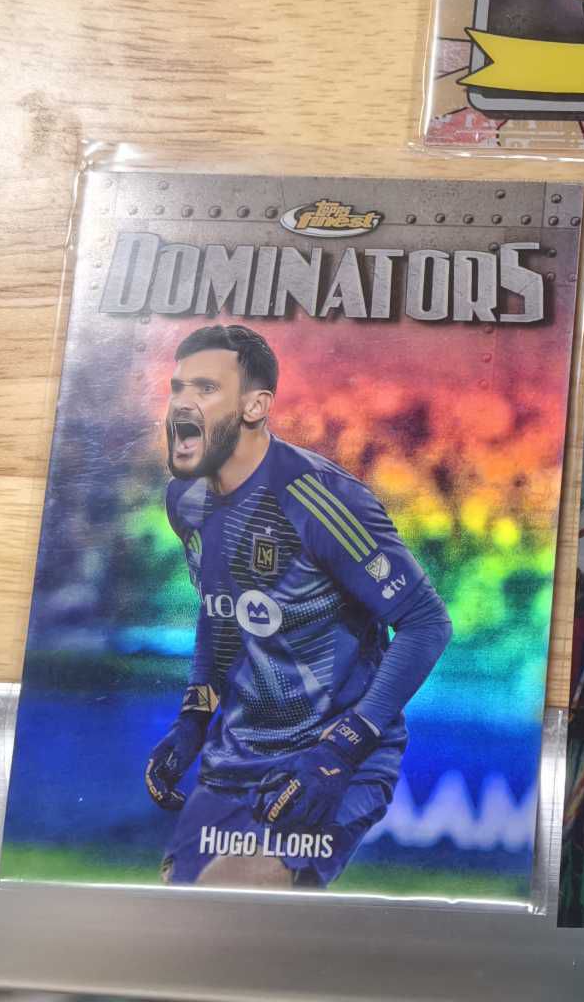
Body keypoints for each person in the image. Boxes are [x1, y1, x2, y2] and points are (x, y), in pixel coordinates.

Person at [143, 324, 452, 889]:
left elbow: (426, 623)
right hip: (235, 759)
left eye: (206, 388)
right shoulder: (184, 500)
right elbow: (221, 610)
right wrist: (193, 719)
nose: (183, 403)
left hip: (330, 761)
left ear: (256, 406)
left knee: (223, 902)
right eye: (177, 387)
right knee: (180, 918)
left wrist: (342, 748)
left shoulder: (319, 498)